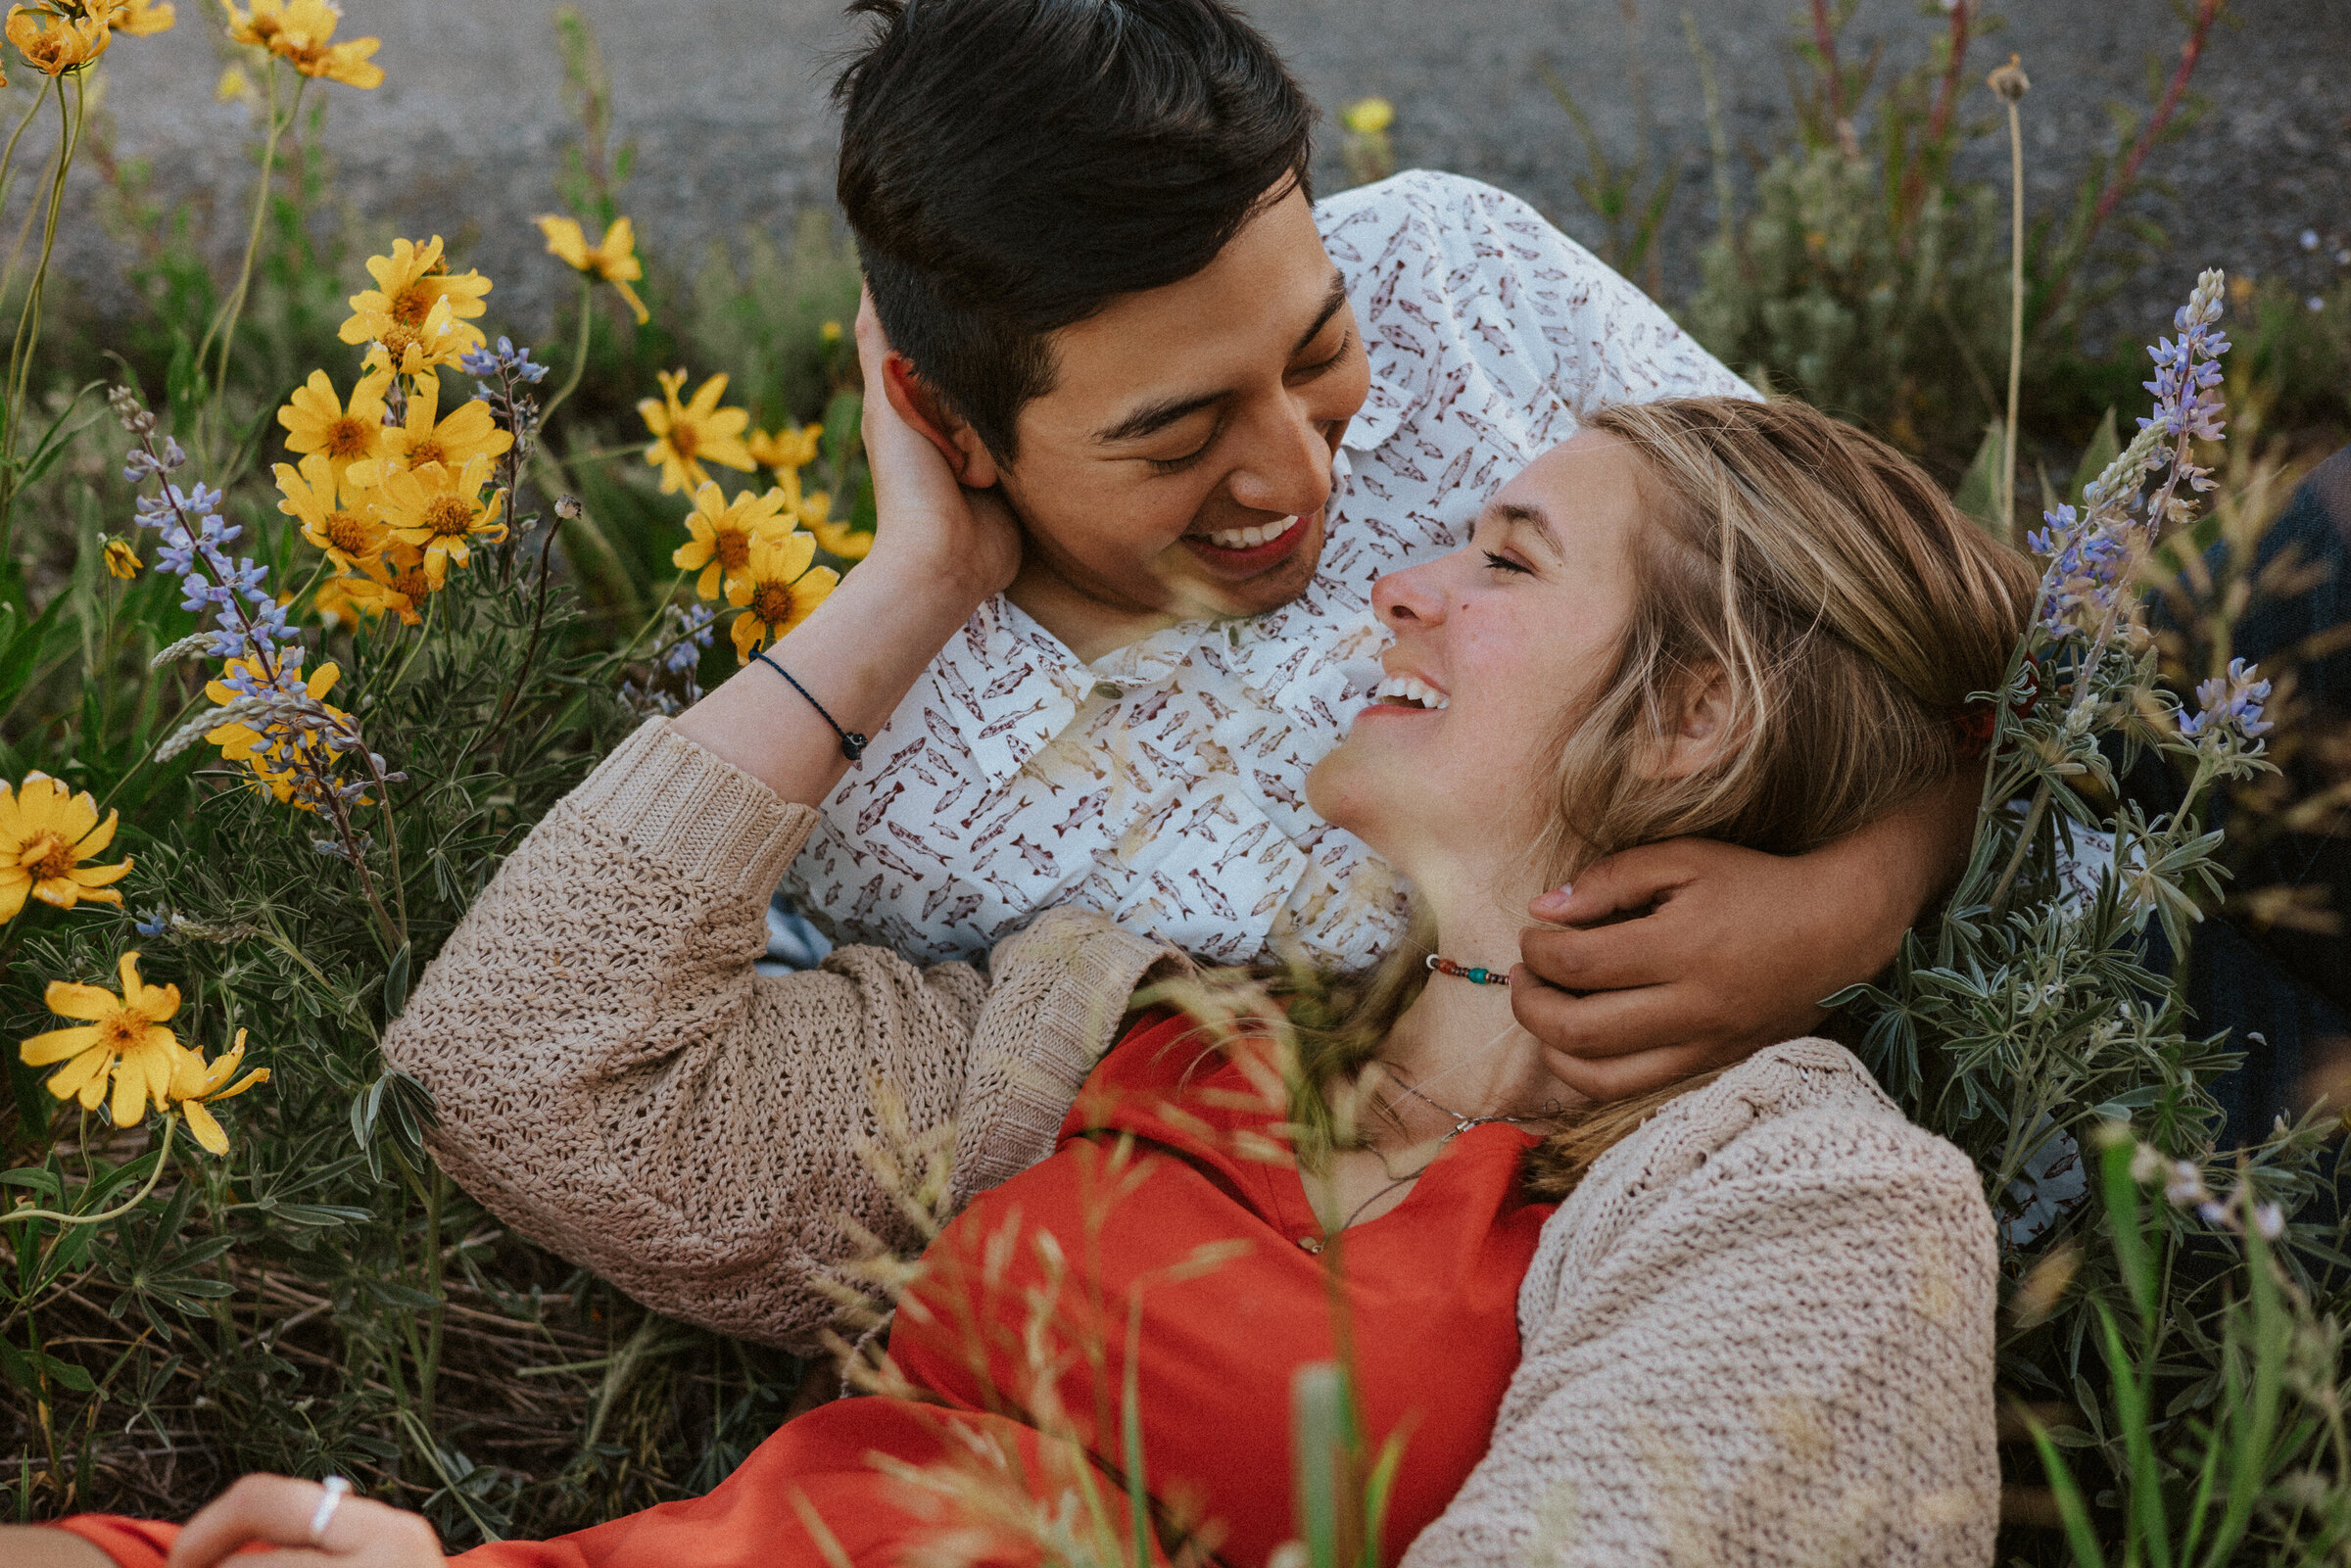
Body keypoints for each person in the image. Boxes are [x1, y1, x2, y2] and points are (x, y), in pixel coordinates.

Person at [26, 385, 2017, 1565]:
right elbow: (525, 1071)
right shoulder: (1146, 1029)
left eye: (1504, 559)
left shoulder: (1801, 1213)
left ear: (1687, 710)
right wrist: (916, 582)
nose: (1401, 577)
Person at [766, 0, 1976, 1103]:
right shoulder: (891, 795)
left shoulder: (1455, 279)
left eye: (1316, 352)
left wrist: (1859, 900)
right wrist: (925, 573)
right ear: (950, 427)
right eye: (1177, 438)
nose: (1299, 475)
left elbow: (1970, 649)